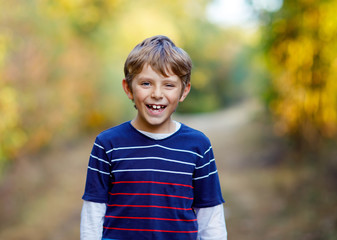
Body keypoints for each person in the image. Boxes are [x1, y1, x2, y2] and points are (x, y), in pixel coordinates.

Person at [80, 35, 227, 240]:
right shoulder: (107, 144)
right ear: (128, 88)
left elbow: (210, 215)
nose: (157, 94)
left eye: (169, 85)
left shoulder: (198, 146)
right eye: (146, 83)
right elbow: (93, 212)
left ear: (184, 91)